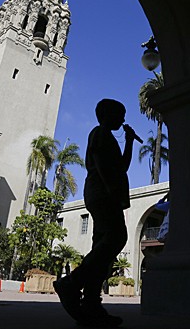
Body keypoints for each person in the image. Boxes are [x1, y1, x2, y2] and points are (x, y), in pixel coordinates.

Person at [53, 99, 138, 327]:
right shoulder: (99, 133)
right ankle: (72, 283)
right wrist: (111, 189)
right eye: (119, 114)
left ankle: (91, 302)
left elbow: (122, 166)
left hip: (105, 194)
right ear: (106, 115)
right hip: (103, 194)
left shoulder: (107, 136)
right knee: (116, 238)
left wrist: (129, 142)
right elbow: (101, 163)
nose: (122, 119)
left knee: (103, 244)